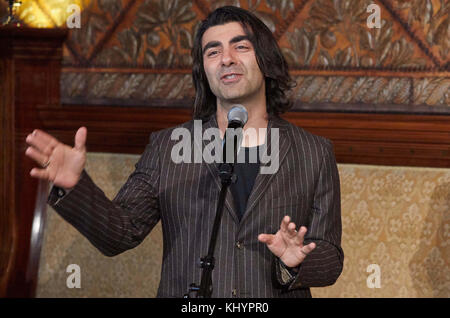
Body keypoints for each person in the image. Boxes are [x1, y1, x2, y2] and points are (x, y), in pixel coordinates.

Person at [25, 6, 343, 298]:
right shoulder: (169, 148)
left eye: (241, 46)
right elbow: (119, 234)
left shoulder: (313, 152)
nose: (226, 58)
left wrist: (297, 261)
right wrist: (74, 185)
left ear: (266, 60)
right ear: (203, 69)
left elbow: (331, 259)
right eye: (213, 51)